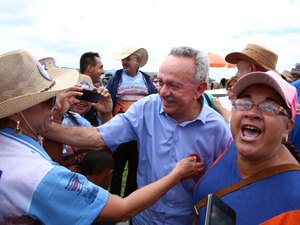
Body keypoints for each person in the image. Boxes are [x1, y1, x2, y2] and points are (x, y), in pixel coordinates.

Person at [0, 49, 203, 225]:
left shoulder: (11, 144)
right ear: (16, 113)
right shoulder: (39, 176)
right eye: (48, 100)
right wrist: (176, 174)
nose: (55, 105)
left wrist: (105, 114)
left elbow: (95, 141)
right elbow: (123, 209)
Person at [44, 46, 233, 225]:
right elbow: (98, 137)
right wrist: (46, 127)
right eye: (160, 82)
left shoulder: (217, 129)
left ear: (199, 89)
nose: (163, 92)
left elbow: (225, 187)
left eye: (174, 85)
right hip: (143, 218)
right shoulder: (146, 108)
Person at [193, 71, 300, 225]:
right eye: (244, 103)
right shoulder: (232, 148)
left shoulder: (295, 202)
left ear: (287, 127)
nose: (252, 113)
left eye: (269, 107)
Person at [107, 46, 156, 198]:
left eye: (128, 59)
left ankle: (129, 202)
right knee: (117, 168)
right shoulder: (116, 79)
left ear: (138, 61)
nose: (124, 62)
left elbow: (153, 102)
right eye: (123, 59)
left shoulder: (146, 80)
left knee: (135, 168)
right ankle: (115, 201)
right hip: (120, 130)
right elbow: (107, 103)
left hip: (140, 132)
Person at [79, 52, 110, 126]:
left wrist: (106, 113)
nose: (103, 72)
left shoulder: (97, 92)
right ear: (90, 68)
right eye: (100, 67)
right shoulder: (70, 92)